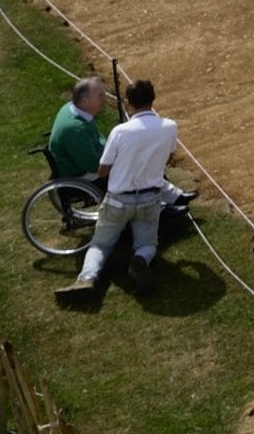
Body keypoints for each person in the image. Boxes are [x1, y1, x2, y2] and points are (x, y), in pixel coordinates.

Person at [64, 77, 179, 297]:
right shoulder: (170, 127)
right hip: (151, 199)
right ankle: (139, 260)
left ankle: (87, 278)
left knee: (100, 244)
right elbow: (168, 156)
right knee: (148, 244)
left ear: (129, 103)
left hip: (119, 200)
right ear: (152, 100)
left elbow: (103, 170)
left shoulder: (120, 132)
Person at [47, 76, 107, 182]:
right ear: (85, 101)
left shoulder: (72, 107)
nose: (104, 99)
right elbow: (93, 166)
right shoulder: (76, 129)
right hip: (79, 174)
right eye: (100, 96)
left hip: (84, 159)